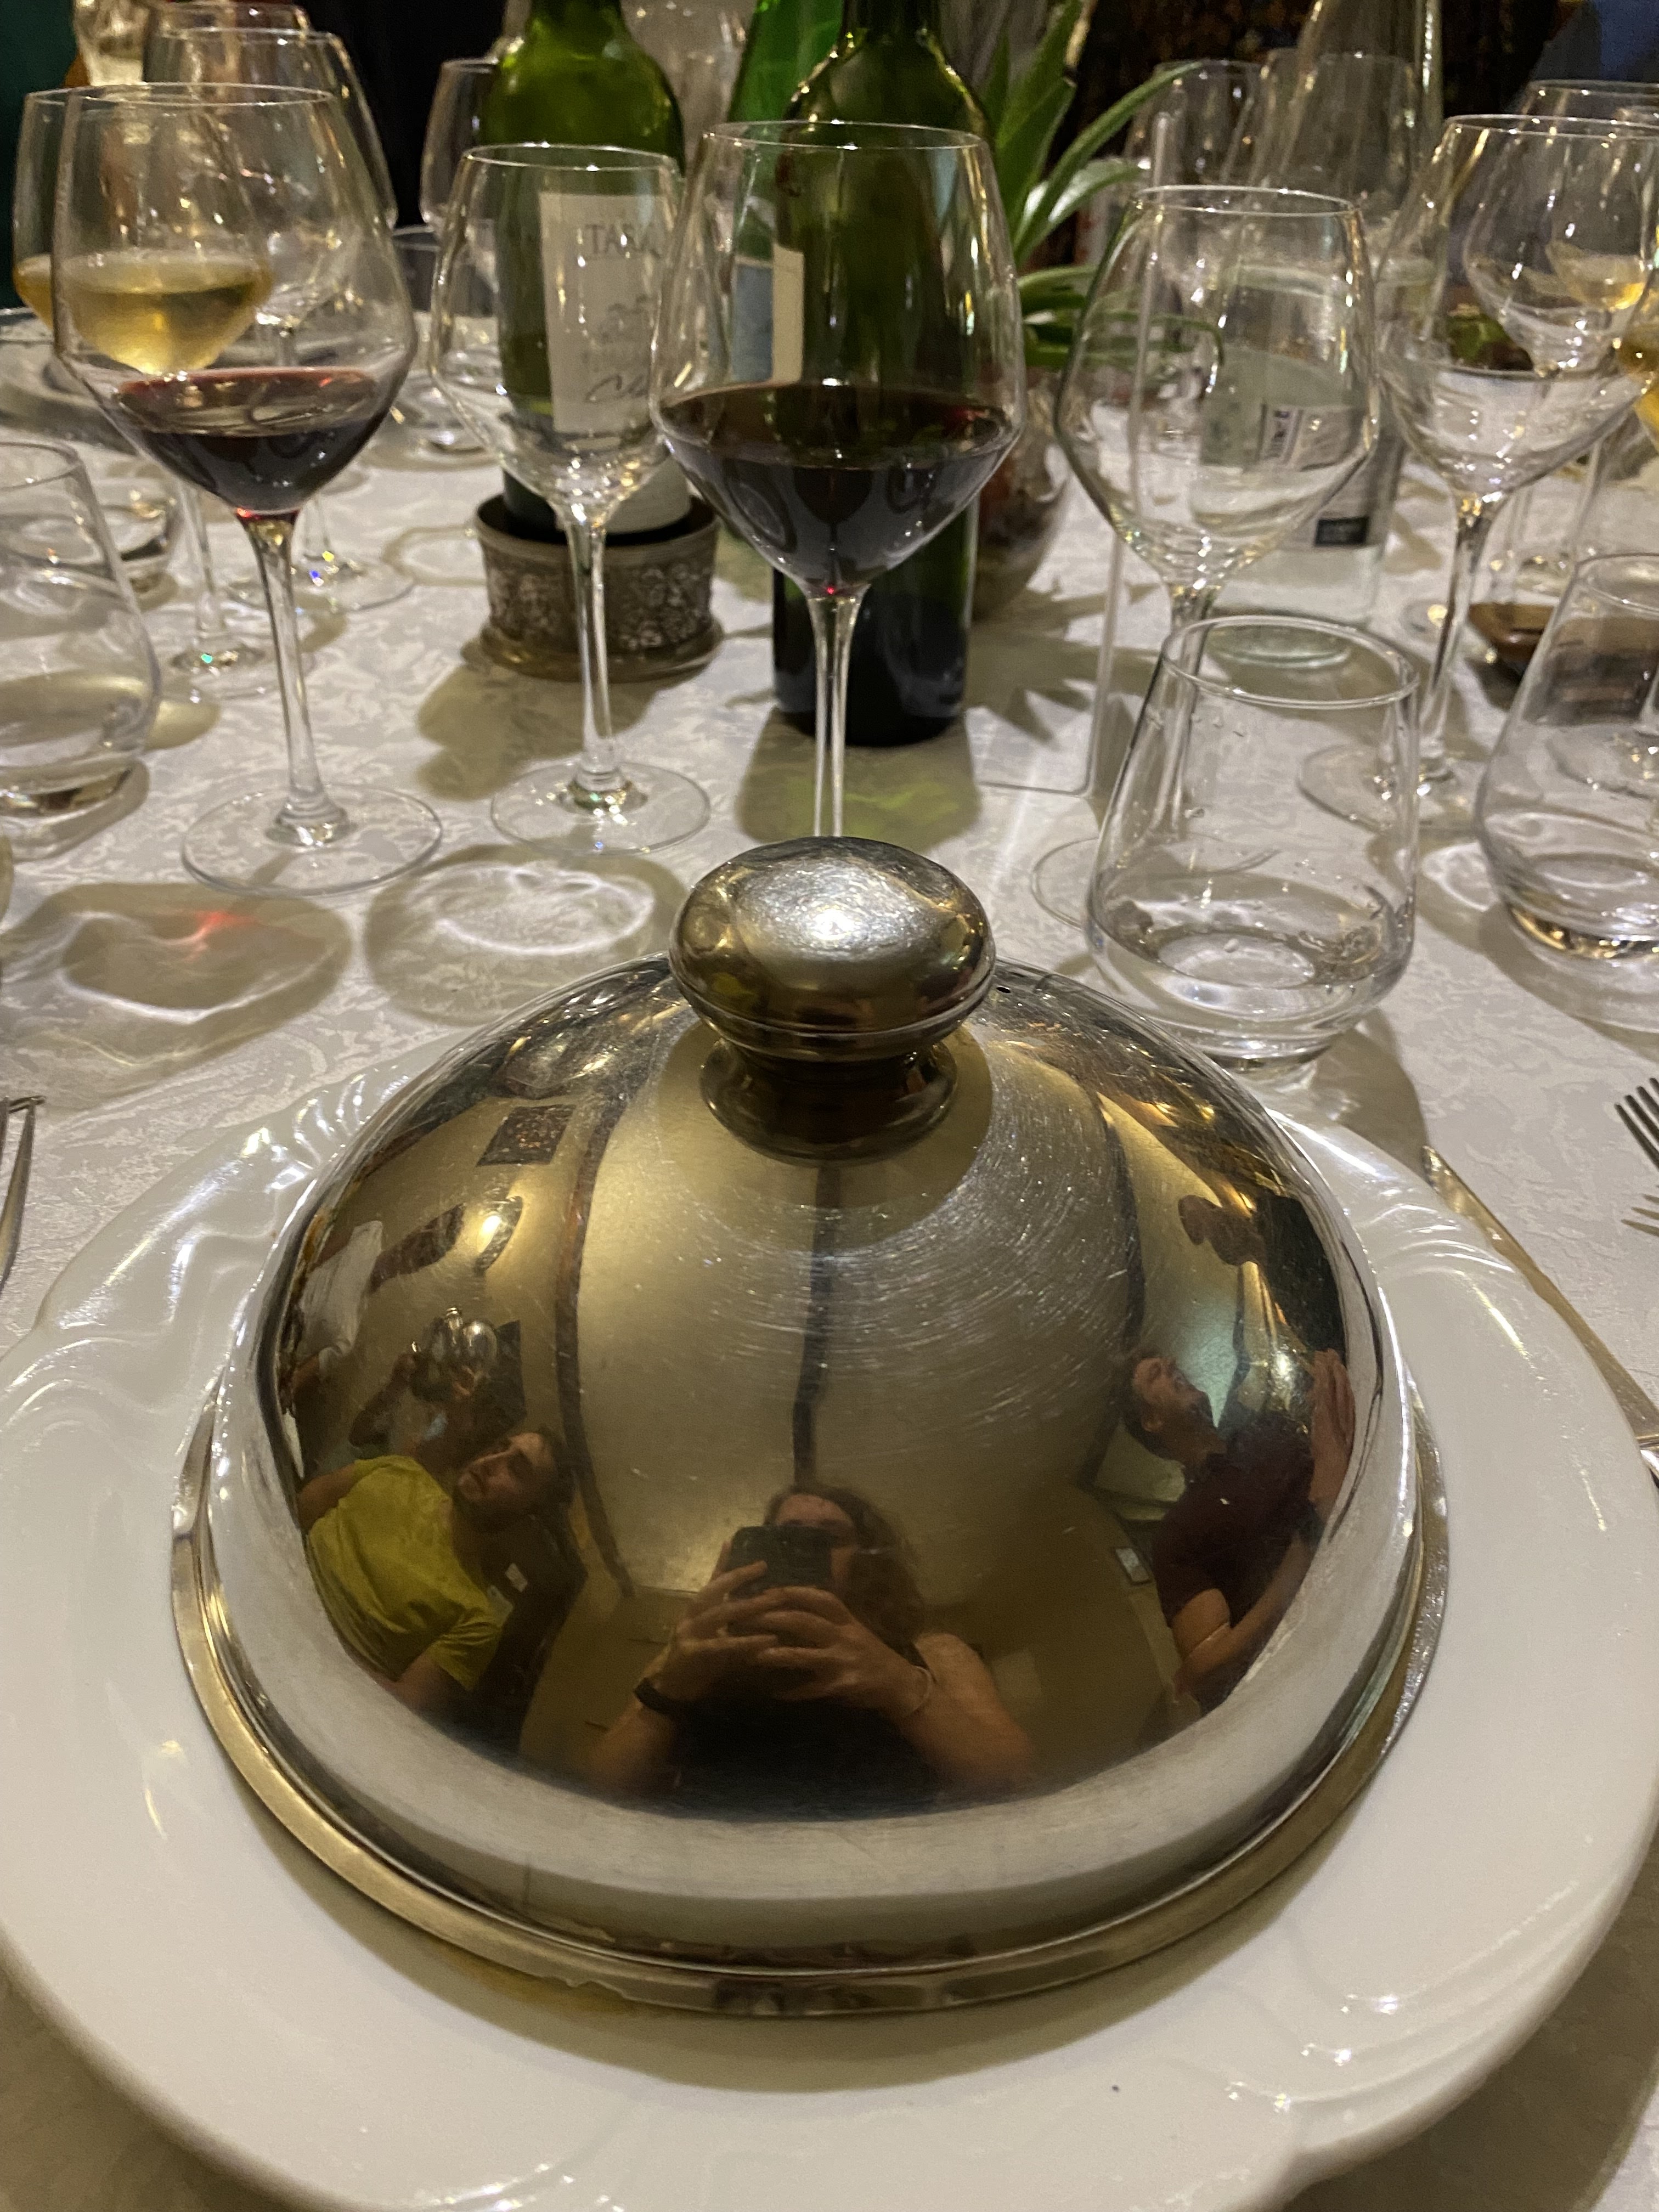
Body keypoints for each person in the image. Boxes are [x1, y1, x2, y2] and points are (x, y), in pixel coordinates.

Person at [588, 1486, 1035, 1813]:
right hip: (712, 1887)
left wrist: (899, 1682)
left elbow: (1012, 1784)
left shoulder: (937, 1652)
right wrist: (670, 1691)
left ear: (866, 1559)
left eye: (831, 1538)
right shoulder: (695, 1652)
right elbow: (604, 1793)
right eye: (787, 1536)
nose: (804, 1547)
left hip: (882, 1888)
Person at [1126, 1345, 1355, 1712]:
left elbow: (1339, 1445)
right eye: (1157, 1374)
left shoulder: (1271, 1426)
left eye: (1169, 1362)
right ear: (1151, 1420)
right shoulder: (1179, 1531)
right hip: (1324, 1670)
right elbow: (1209, 1674)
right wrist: (1314, 1532)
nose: (1173, 1365)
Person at [297, 1426, 557, 1717]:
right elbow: (297, 1510)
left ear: (528, 1519)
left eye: (517, 1468)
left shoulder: (477, 1621)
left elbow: (400, 1708)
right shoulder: (399, 1471)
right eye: (500, 1447)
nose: (490, 1462)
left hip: (312, 1694)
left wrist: (311, 1644)